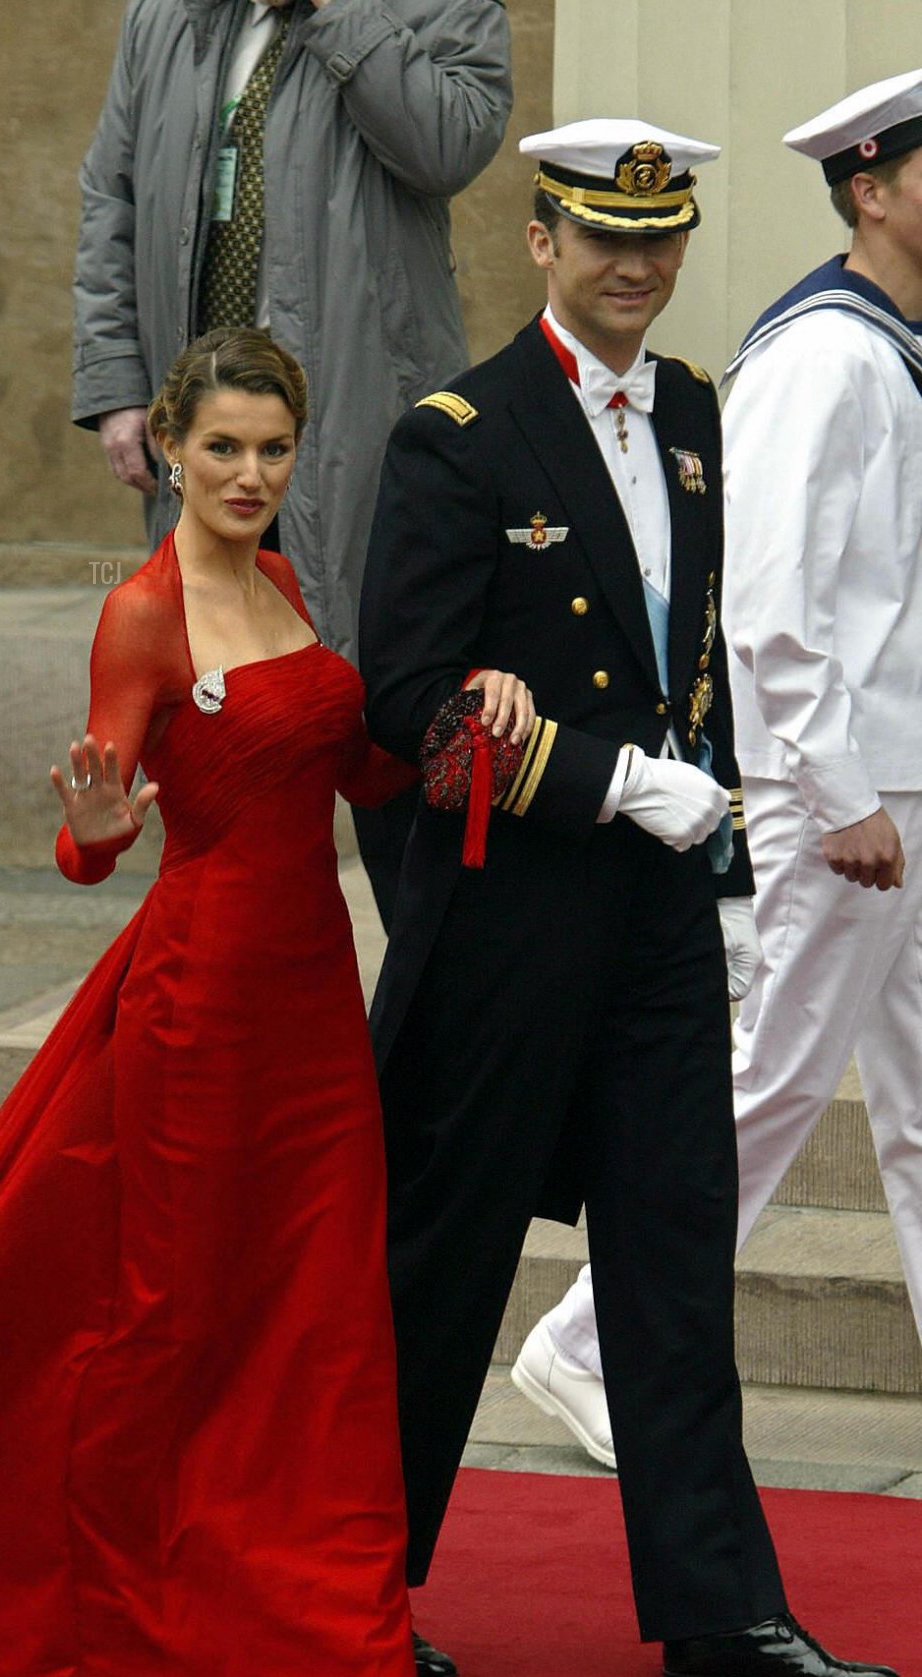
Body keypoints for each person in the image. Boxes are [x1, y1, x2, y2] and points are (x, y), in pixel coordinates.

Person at [0, 329, 501, 1677]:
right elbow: (98, 829)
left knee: (325, 1322)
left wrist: (464, 723)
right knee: (170, 1322)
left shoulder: (278, 580)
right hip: (197, 1012)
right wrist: (90, 837)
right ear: (173, 449)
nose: (251, 474)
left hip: (315, 1009)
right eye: (224, 449)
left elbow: (362, 767)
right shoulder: (144, 614)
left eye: (273, 448)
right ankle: (137, 1622)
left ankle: (346, 1651)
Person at [359, 119, 902, 1677]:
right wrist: (605, 780)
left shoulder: (691, 412)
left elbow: (708, 651)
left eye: (660, 240)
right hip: (509, 926)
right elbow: (407, 700)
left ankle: (719, 1610)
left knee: (677, 1257)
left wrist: (721, 849)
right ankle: (355, 1584)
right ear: (541, 242)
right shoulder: (460, 432)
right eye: (606, 236)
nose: (637, 266)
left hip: (662, 917)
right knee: (442, 1274)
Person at [516, 69, 922, 1473]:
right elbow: (768, 604)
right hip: (856, 791)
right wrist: (834, 789)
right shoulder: (828, 354)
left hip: (897, 774)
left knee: (908, 1101)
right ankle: (583, 1342)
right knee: (771, 1083)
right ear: (870, 189)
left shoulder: (892, 344)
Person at [72, 0, 513, 924]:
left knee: (386, 711)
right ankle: (240, 975)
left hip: (366, 430)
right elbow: (112, 192)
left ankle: (428, 1018)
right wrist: (119, 383)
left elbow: (450, 145)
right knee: (219, 736)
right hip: (210, 437)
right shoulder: (171, 15)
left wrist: (339, 12)